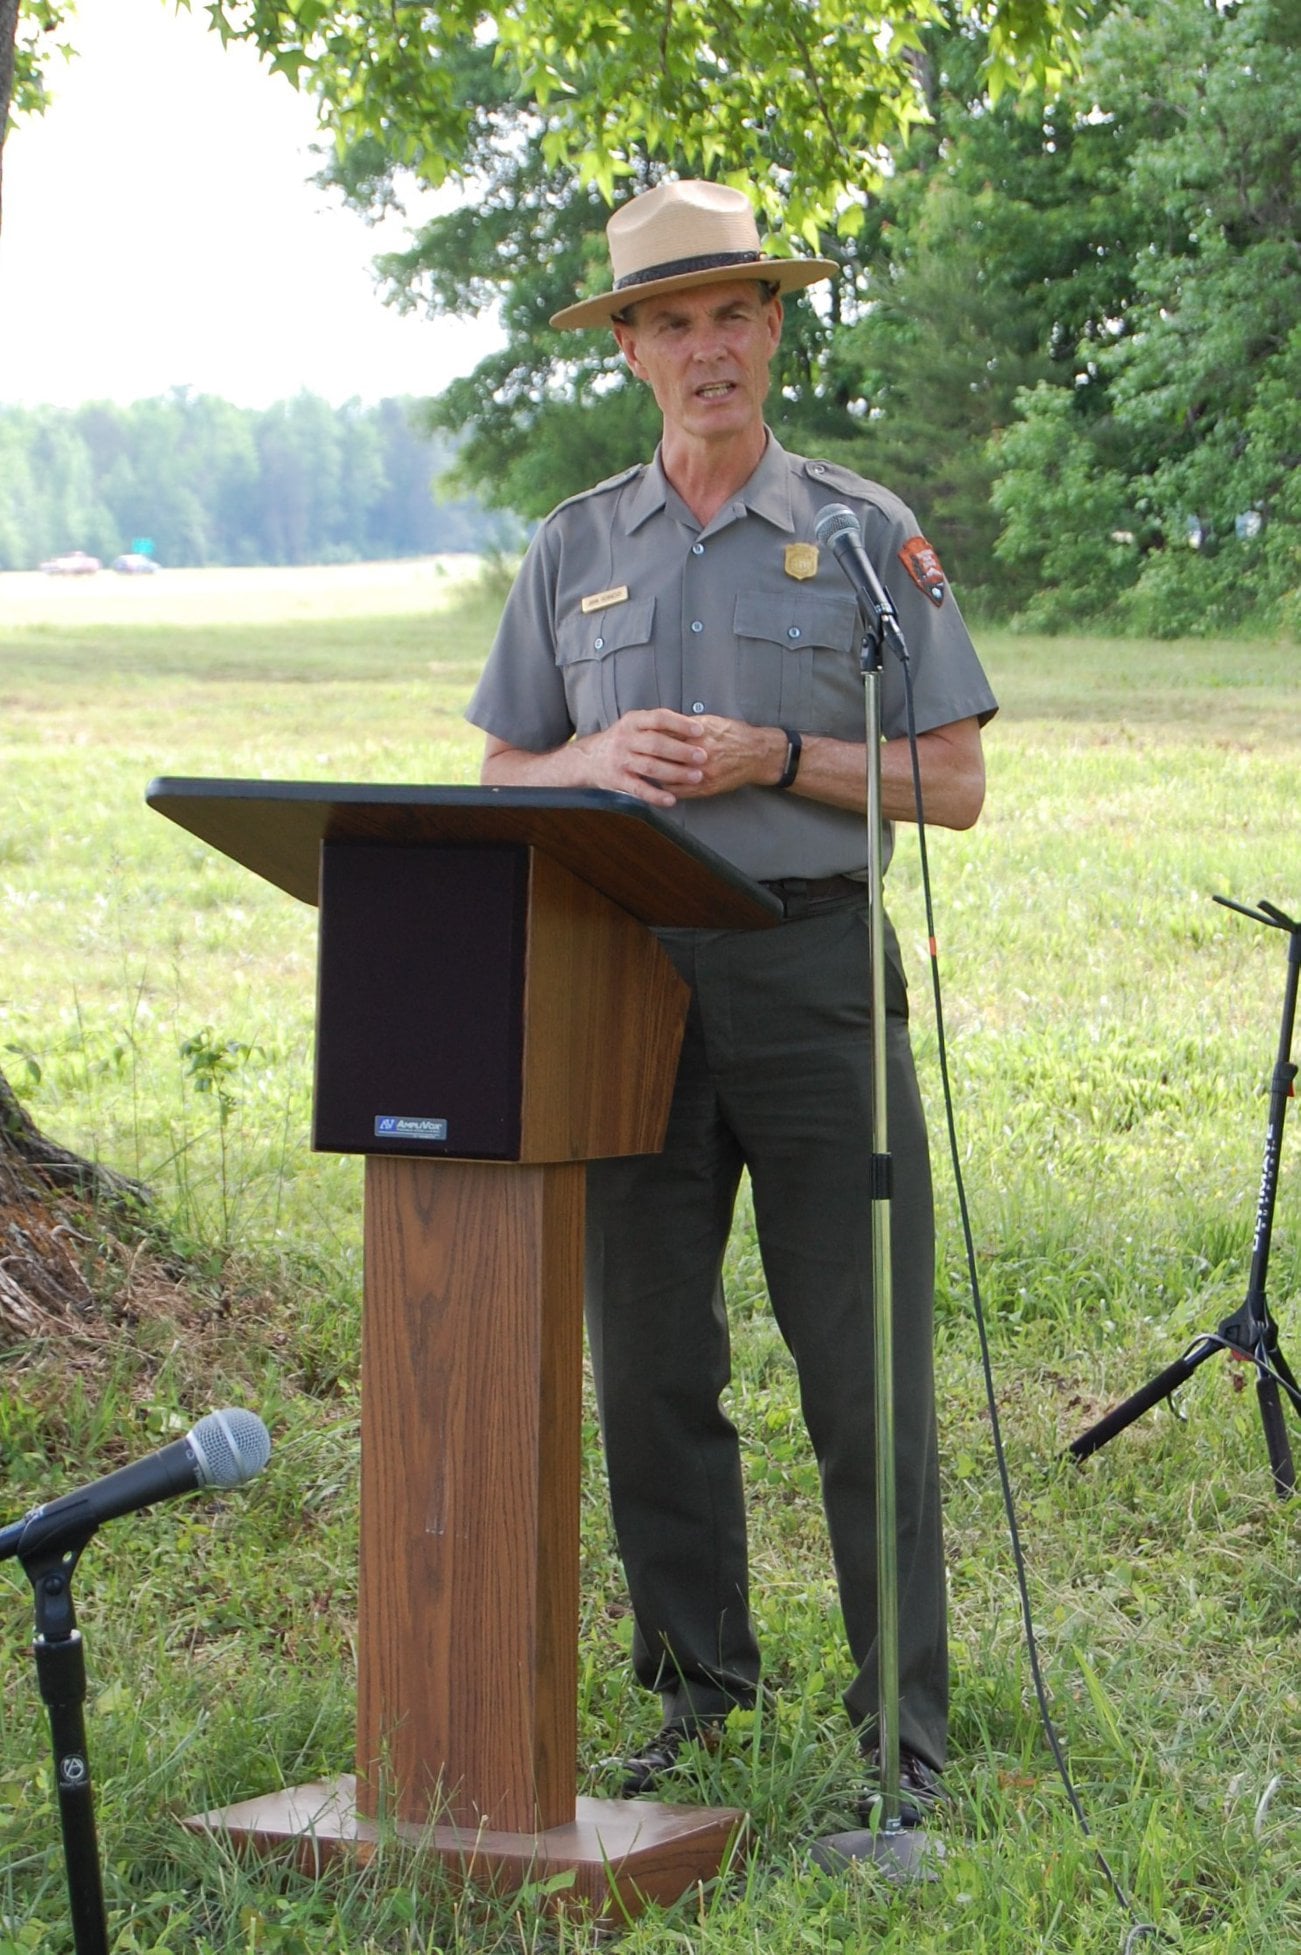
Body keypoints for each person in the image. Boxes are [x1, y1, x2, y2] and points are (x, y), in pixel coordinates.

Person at [464, 178, 997, 1815]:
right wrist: (583, 762)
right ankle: (697, 1696)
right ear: (626, 348)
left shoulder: (854, 527)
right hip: (621, 984)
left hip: (809, 971)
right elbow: (499, 770)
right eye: (671, 321)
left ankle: (899, 1738)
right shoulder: (573, 548)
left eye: (733, 314)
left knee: (862, 1366)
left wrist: (779, 755)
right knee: (650, 1369)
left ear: (773, 327)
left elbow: (955, 781)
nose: (708, 348)